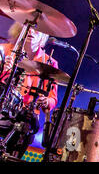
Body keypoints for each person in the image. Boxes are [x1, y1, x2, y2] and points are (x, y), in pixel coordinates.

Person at [0, 22, 58, 158]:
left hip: (26, 118)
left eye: (37, 31)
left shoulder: (49, 62)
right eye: (29, 29)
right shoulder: (4, 50)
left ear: (43, 37)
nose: (31, 32)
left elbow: (52, 99)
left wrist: (46, 101)